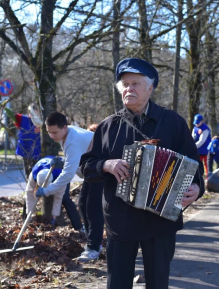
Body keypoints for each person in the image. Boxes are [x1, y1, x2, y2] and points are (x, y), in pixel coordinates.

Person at [80, 58, 205, 289]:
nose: (129, 88)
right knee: (117, 283)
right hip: (120, 219)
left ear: (151, 87)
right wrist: (106, 165)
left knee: (158, 283)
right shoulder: (109, 126)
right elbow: (85, 166)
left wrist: (197, 189)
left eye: (135, 83)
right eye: (125, 84)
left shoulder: (173, 123)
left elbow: (195, 164)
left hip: (160, 220)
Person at [25, 156, 83, 230]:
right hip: (44, 166)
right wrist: (29, 214)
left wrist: (54, 215)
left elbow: (59, 197)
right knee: (29, 195)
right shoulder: (34, 174)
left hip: (61, 170)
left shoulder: (60, 175)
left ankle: (79, 227)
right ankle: (26, 220)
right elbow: (29, 193)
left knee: (65, 199)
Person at [76, 122, 105, 262]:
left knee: (94, 210)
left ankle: (93, 246)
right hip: (90, 172)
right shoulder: (71, 138)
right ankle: (92, 243)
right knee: (82, 204)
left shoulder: (100, 138)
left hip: (101, 173)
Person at [5, 108, 40, 179]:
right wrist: (4, 107)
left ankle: (36, 189)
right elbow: (12, 115)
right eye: (32, 112)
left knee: (38, 175)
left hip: (39, 152)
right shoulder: (23, 119)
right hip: (26, 151)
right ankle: (30, 188)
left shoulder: (43, 123)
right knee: (29, 175)